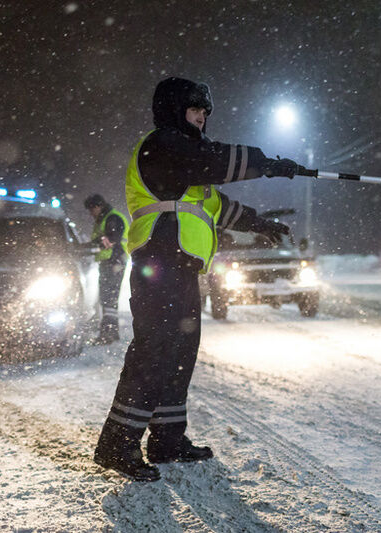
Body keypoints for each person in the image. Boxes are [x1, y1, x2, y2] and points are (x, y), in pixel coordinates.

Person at [93, 77, 300, 481]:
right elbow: (214, 160)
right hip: (158, 263)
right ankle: (117, 443)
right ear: (173, 111)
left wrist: (259, 223)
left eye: (205, 112)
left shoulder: (189, 168)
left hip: (182, 268)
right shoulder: (162, 145)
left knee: (180, 352)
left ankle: (168, 439)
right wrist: (267, 164)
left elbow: (218, 205)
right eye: (194, 110)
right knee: (154, 351)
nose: (202, 117)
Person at [84, 193, 129, 344]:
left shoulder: (112, 218)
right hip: (111, 262)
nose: (91, 214)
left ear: (99, 206)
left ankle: (108, 334)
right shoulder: (106, 218)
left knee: (108, 298)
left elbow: (109, 240)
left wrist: (83, 248)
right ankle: (111, 332)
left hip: (114, 262)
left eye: (92, 209)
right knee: (109, 299)